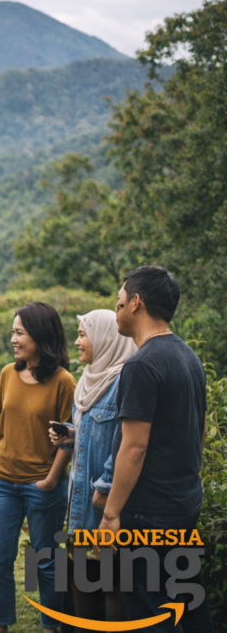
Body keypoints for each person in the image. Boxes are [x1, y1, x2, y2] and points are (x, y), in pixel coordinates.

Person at [99, 266, 213, 631]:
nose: (116, 307)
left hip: (148, 513)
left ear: (136, 302)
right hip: (182, 502)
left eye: (119, 300)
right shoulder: (188, 358)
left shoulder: (141, 364)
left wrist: (111, 515)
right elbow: (201, 431)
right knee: (186, 597)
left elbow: (134, 448)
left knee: (150, 608)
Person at [0, 301, 75, 633]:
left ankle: (51, 626)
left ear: (40, 336)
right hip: (4, 482)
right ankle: (0, 624)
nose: (13, 339)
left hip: (42, 486)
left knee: (47, 561)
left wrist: (51, 480)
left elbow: (69, 437)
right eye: (13, 332)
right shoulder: (8, 373)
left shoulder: (64, 381)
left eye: (19, 332)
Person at [47, 309, 134, 624]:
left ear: (105, 338)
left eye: (83, 334)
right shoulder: (87, 381)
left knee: (115, 590)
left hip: (107, 506)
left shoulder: (124, 380)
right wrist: (70, 436)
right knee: (83, 585)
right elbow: (95, 435)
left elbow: (128, 442)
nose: (77, 342)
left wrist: (105, 490)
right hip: (81, 506)